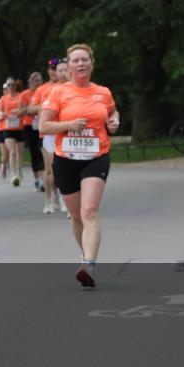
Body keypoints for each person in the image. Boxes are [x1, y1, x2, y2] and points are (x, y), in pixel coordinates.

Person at [39, 44, 119, 289]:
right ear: (69, 67)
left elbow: (113, 113)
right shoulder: (58, 93)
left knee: (89, 211)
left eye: (85, 59)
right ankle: (86, 254)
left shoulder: (103, 92)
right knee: (76, 215)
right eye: (76, 61)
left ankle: (88, 264)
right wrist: (69, 124)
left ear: (92, 64)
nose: (81, 64)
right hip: (66, 159)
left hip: (96, 157)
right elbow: (44, 127)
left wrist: (114, 121)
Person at [30, 59, 66, 213]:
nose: (55, 72)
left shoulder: (69, 87)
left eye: (57, 69)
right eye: (52, 69)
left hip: (65, 130)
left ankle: (64, 198)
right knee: (50, 169)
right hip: (49, 132)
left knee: (64, 167)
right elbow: (31, 108)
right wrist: (45, 107)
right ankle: (49, 200)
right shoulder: (43, 89)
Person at [0, 78, 26, 186]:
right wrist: (2, 114)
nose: (11, 87)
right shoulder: (3, 99)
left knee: (20, 152)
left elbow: (23, 111)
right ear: (6, 87)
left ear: (15, 86)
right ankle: (14, 175)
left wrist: (18, 112)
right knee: (11, 152)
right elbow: (0, 111)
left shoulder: (20, 96)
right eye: (9, 85)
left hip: (19, 127)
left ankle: (20, 168)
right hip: (7, 128)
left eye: (13, 85)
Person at [21, 71, 46, 193]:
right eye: (35, 80)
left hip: (42, 124)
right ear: (30, 81)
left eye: (40, 80)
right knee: (34, 153)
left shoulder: (45, 91)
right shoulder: (25, 94)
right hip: (29, 125)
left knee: (42, 151)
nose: (38, 83)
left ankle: (43, 180)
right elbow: (20, 111)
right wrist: (31, 110)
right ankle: (37, 179)